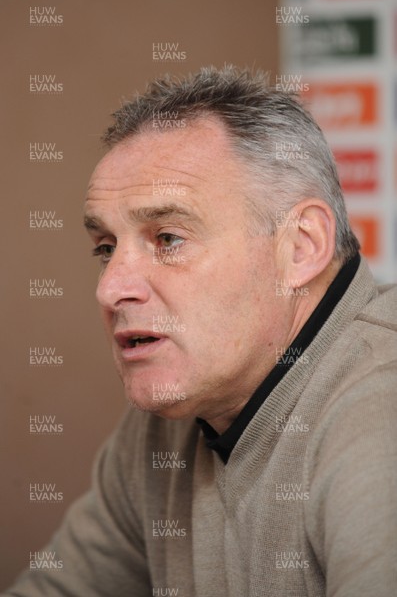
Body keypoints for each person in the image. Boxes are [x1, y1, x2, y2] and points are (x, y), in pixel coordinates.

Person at [4, 65, 396, 597]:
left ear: (300, 247)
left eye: (167, 238)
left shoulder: (381, 408)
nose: (110, 288)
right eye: (105, 248)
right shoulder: (170, 418)